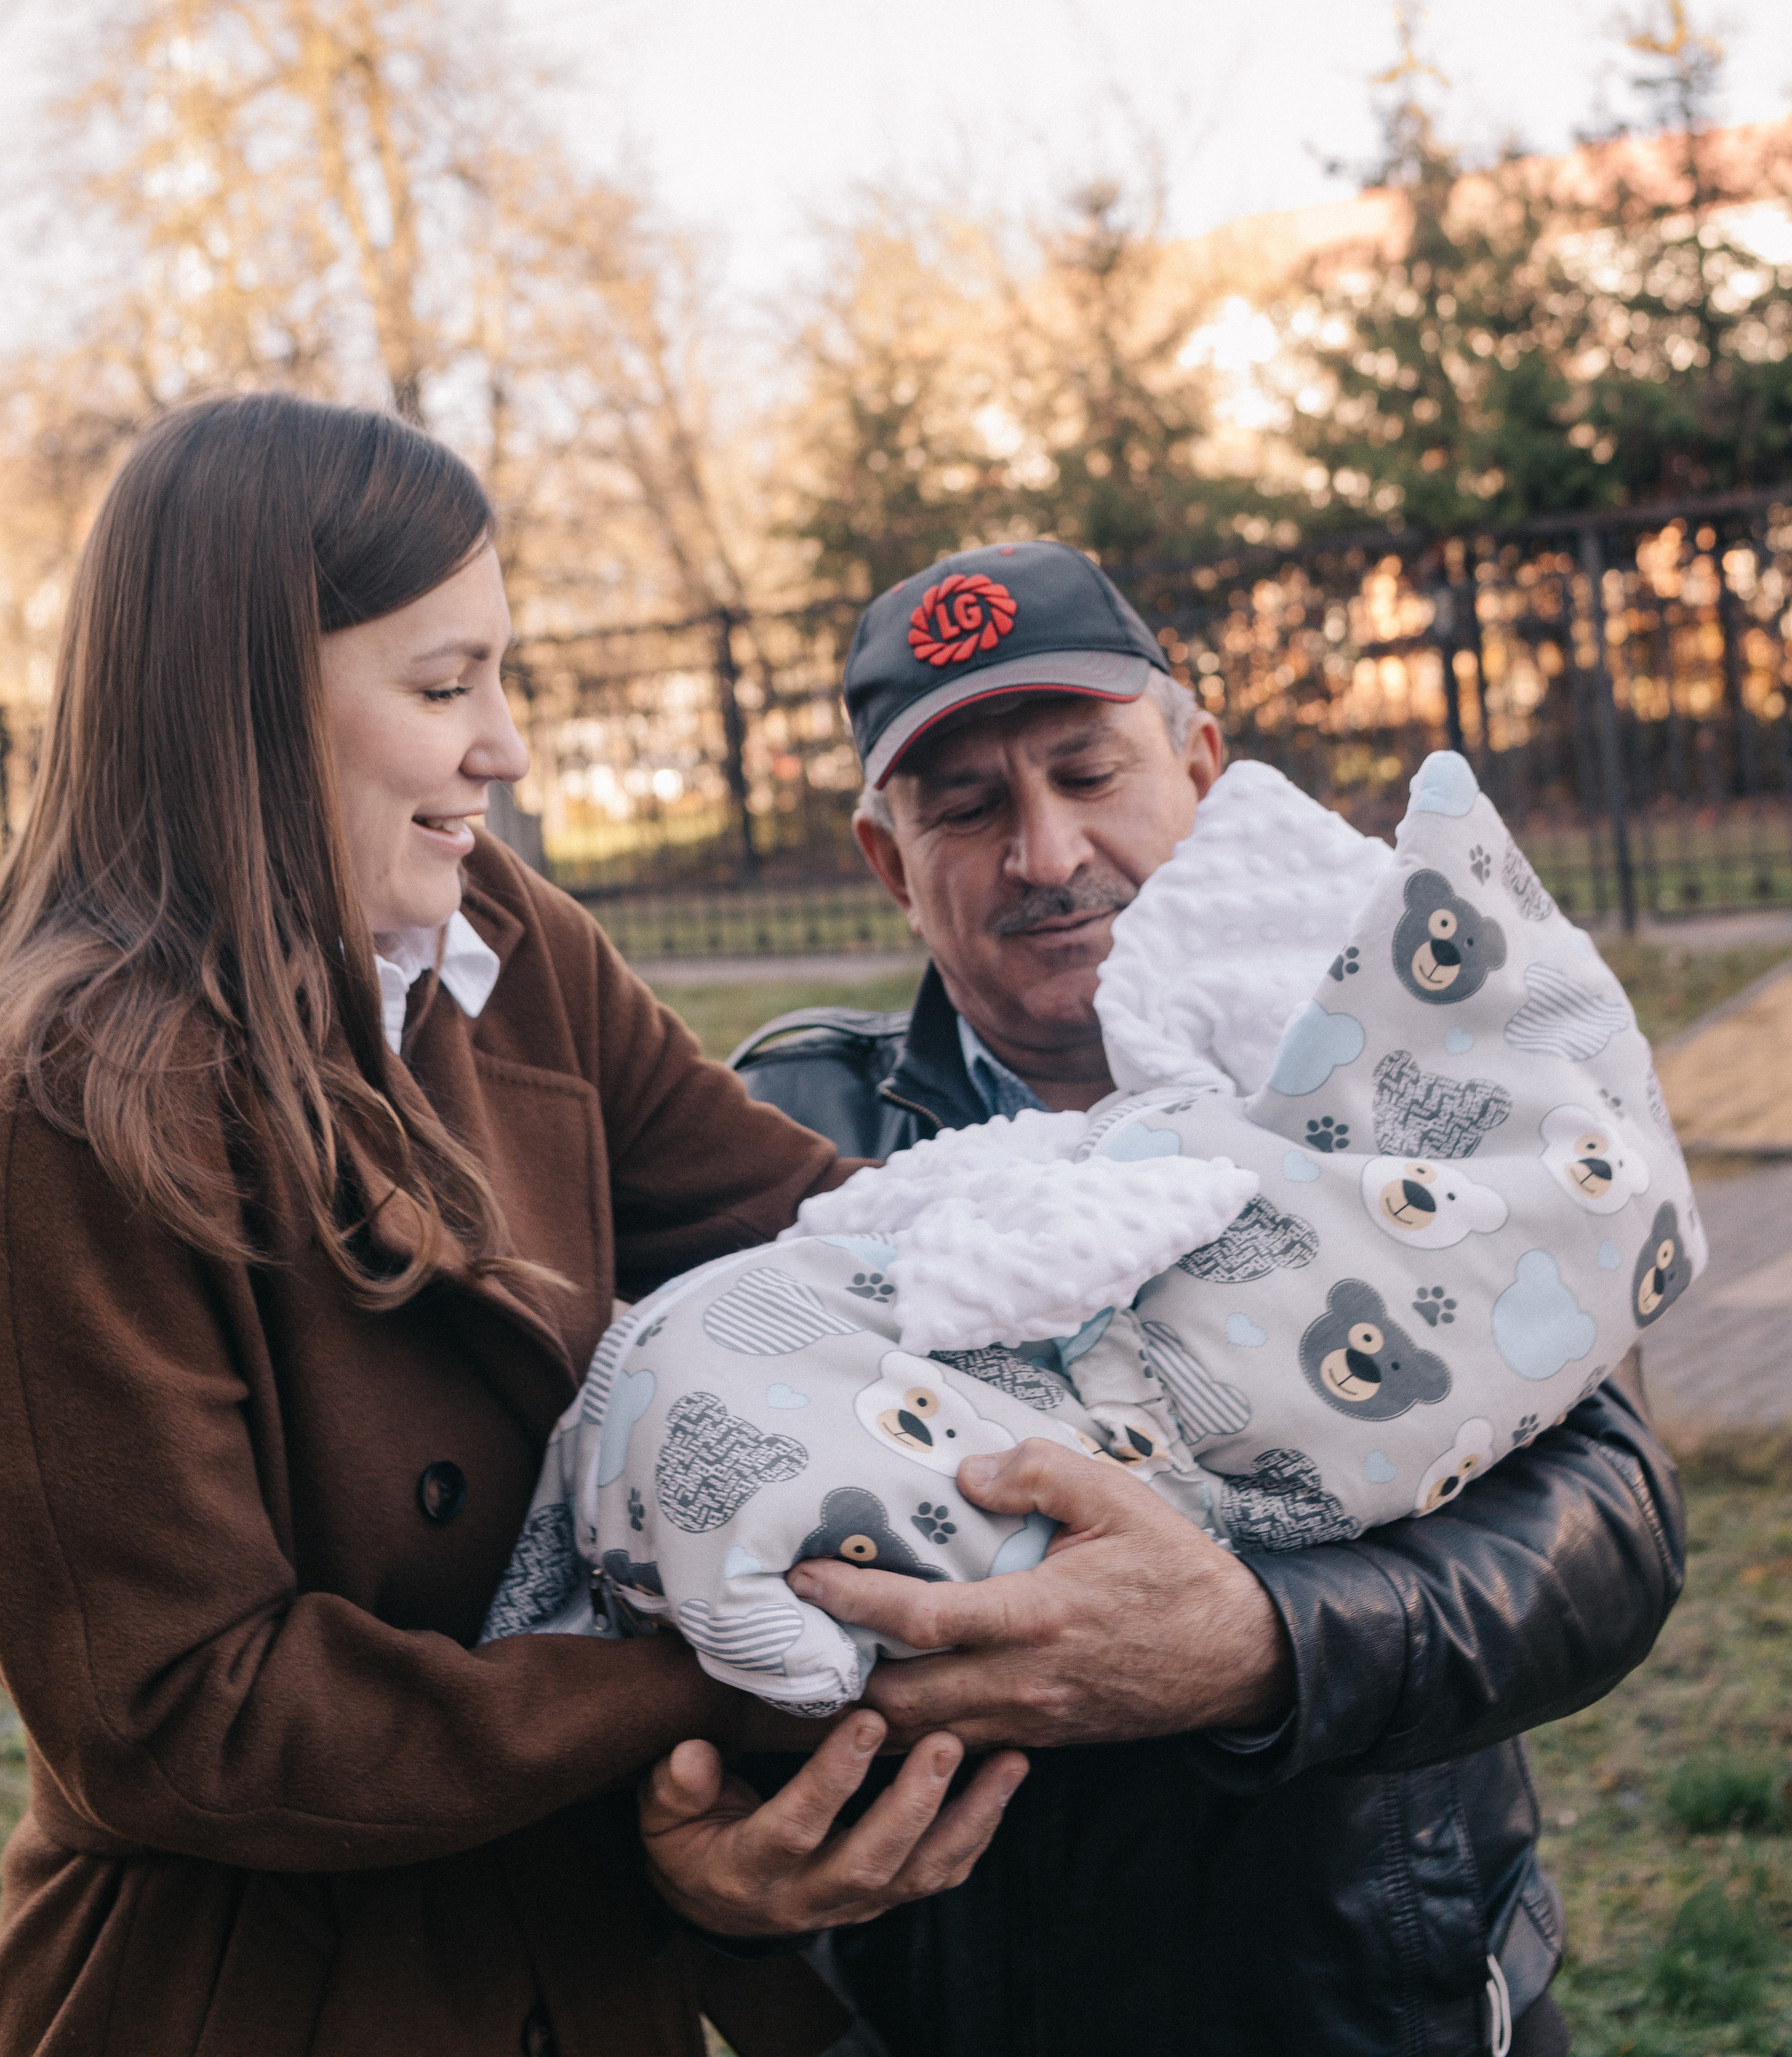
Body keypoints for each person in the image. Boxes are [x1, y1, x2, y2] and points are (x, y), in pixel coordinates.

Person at [0, 399, 1028, 2057]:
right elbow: (184, 1715)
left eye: (503, 672)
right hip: (266, 1989)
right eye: (440, 684)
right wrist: (713, 1669)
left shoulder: (504, 939)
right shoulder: (66, 1104)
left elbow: (817, 1238)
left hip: (586, 1952)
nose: (509, 746)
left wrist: (1120, 1259)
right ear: (249, 706)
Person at [732, 539, 1687, 2057]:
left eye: (1086, 771)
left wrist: (1259, 1643)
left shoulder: (1398, 1073)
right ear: (882, 859)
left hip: (1365, 2007)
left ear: (1200, 765)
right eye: (965, 807)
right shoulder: (786, 1136)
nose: (1043, 855)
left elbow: (1611, 1527)